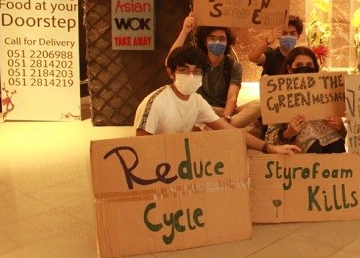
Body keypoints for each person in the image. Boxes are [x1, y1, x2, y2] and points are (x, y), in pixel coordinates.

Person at [135, 45, 299, 155]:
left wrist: (271, 148)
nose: (191, 76)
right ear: (171, 73)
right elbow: (141, 147)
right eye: (184, 70)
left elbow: (230, 131)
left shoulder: (196, 101)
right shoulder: (156, 102)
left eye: (197, 71)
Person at [167, 13, 260, 133]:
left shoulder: (234, 66)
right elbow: (171, 61)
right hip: (200, 109)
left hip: (223, 111)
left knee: (259, 105)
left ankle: (216, 129)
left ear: (227, 42)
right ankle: (225, 131)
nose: (217, 42)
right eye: (212, 38)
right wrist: (185, 31)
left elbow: (232, 98)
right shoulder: (197, 61)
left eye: (222, 39)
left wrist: (225, 118)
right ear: (205, 41)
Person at [264, 47, 347, 154]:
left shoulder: (326, 94)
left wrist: (340, 126)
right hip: (298, 160)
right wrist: (288, 133)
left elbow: (343, 135)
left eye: (309, 65)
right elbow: (270, 140)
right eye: (298, 65)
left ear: (315, 68)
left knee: (335, 140)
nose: (304, 68)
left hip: (335, 157)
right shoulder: (279, 96)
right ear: (289, 69)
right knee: (308, 137)